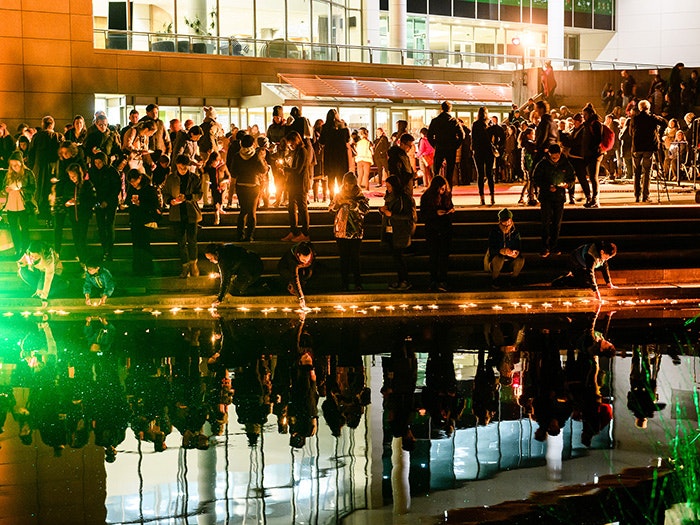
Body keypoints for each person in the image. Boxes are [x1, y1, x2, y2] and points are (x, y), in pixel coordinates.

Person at [163, 154, 203, 278]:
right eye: (181, 167)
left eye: (185, 167)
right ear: (176, 166)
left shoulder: (194, 178)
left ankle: (193, 264)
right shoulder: (171, 178)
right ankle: (184, 265)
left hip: (191, 212)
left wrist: (188, 197)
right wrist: (170, 201)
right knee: (181, 241)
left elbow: (199, 194)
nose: (183, 170)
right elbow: (165, 193)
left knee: (192, 240)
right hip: (177, 213)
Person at [329, 172, 370, 291]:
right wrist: (339, 204)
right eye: (346, 185)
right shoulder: (339, 195)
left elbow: (366, 209)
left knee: (355, 258)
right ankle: (344, 283)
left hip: (356, 231)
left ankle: (358, 283)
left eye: (351, 185)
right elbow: (331, 208)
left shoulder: (359, 195)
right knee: (344, 258)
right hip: (341, 231)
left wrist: (353, 204)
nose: (348, 187)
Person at [532, 144, 575, 257]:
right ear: (549, 154)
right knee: (545, 221)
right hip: (546, 196)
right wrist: (547, 186)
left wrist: (568, 185)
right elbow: (536, 178)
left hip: (559, 196)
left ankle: (554, 245)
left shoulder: (566, 164)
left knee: (557, 223)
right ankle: (545, 246)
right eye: (553, 156)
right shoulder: (543, 164)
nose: (555, 157)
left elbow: (572, 178)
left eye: (557, 155)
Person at [380, 175, 417, 291]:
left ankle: (404, 281)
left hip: (400, 231)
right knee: (396, 257)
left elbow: (410, 216)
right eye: (387, 186)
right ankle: (401, 280)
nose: (388, 188)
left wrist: (392, 215)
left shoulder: (404, 199)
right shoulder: (390, 197)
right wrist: (383, 211)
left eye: (390, 186)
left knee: (399, 257)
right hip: (391, 230)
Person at [54, 163, 96, 262]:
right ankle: (81, 257)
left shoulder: (86, 184)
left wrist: (80, 202)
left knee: (82, 238)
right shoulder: (69, 185)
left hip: (83, 215)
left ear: (79, 174)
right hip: (73, 216)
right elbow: (65, 198)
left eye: (73, 176)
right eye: (70, 176)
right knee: (76, 238)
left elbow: (92, 199)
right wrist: (67, 203)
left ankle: (83, 259)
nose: (72, 178)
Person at [420, 175, 454, 292]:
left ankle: (443, 281)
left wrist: (450, 210)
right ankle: (433, 280)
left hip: (445, 229)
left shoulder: (446, 195)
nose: (442, 191)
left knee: (444, 256)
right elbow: (423, 215)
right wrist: (435, 213)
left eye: (444, 189)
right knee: (433, 256)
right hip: (432, 230)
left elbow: (450, 206)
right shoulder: (426, 198)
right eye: (440, 189)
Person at [552, 241, 617, 301]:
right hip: (575, 264)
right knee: (585, 283)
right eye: (606, 258)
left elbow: (605, 267)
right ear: (602, 252)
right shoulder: (591, 255)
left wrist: (609, 283)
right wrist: (595, 291)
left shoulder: (603, 252)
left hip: (584, 266)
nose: (606, 260)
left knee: (592, 282)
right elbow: (590, 272)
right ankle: (564, 280)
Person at [629, 99, 667, 202]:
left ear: (640, 108)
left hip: (637, 147)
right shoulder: (652, 118)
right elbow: (665, 123)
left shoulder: (634, 118)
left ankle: (637, 195)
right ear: (648, 108)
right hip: (649, 148)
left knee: (636, 172)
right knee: (647, 171)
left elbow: (630, 133)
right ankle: (645, 196)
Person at [230, 134, 267, 240]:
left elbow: (233, 173)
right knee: (252, 211)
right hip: (253, 185)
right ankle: (249, 236)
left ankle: (239, 235)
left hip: (241, 185)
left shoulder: (237, 156)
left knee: (243, 211)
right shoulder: (256, 156)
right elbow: (263, 170)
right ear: (252, 144)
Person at [2, 150, 36, 258]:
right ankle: (17, 250)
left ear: (21, 163)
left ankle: (25, 249)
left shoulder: (28, 173)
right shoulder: (9, 174)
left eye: (16, 165)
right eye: (12, 165)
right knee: (13, 228)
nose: (14, 167)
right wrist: (5, 190)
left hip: (23, 203)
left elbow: (33, 188)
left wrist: (22, 190)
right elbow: (3, 187)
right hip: (11, 204)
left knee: (24, 227)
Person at [125, 169, 160, 276]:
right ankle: (137, 269)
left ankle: (148, 268)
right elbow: (127, 201)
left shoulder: (149, 190)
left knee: (144, 245)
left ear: (140, 178)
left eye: (134, 181)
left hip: (145, 220)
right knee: (136, 246)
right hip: (135, 220)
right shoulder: (131, 189)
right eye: (131, 182)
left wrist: (140, 204)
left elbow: (154, 206)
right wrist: (126, 205)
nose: (133, 184)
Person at [90, 152, 121, 260]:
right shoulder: (93, 172)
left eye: (100, 163)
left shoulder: (112, 171)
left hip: (110, 202)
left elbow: (116, 187)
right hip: (98, 201)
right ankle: (105, 249)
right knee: (101, 226)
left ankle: (109, 250)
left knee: (109, 225)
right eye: (96, 163)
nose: (98, 165)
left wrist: (107, 201)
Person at [281, 131, 311, 243]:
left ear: (296, 140)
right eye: (289, 145)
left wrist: (285, 168)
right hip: (292, 183)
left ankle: (305, 233)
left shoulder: (302, 151)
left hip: (300, 183)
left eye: (291, 144)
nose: (290, 146)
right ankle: (293, 231)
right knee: (291, 208)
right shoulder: (294, 152)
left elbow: (298, 169)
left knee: (302, 208)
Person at [486, 208, 524, 288]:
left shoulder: (515, 232)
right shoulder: (494, 232)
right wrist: (501, 251)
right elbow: (491, 249)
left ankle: (513, 279)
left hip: (510, 260)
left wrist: (515, 252)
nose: (507, 224)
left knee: (520, 259)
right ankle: (495, 280)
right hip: (496, 261)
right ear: (500, 221)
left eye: (509, 221)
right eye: (504, 221)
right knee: (499, 258)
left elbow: (519, 247)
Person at [17, 241, 63, 307]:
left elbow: (47, 278)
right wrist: (23, 264)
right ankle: (39, 290)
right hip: (39, 272)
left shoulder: (48, 258)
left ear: (42, 254)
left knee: (48, 292)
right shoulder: (28, 253)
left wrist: (44, 297)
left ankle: (62, 284)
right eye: (32, 255)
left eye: (36, 256)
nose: (33, 258)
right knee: (22, 271)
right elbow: (21, 263)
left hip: (53, 274)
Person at [427, 101, 465, 181]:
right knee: (450, 171)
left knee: (436, 170)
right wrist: (456, 145)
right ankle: (448, 189)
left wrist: (434, 144)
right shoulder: (454, 121)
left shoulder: (435, 121)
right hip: (451, 148)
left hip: (439, 146)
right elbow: (462, 135)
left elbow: (429, 135)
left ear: (441, 109)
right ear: (450, 109)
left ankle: (436, 188)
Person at [319, 109, 351, 196]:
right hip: (341, 155)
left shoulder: (325, 127)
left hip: (330, 155)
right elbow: (348, 139)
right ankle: (341, 196)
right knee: (341, 178)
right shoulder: (343, 126)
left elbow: (322, 141)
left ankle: (332, 198)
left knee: (331, 178)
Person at [278, 241, 315, 308]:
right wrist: (301, 297)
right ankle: (290, 286)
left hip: (301, 268)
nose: (306, 261)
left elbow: (311, 265)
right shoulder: (292, 260)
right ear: (298, 255)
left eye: (308, 259)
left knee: (308, 273)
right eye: (303, 260)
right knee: (293, 280)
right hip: (287, 269)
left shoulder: (311, 251)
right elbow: (294, 277)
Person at [472, 106, 496, 205]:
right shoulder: (490, 124)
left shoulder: (475, 124)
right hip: (488, 151)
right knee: (490, 174)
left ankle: (482, 198)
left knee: (480, 174)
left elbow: (473, 139)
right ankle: (492, 197)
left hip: (478, 151)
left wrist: (473, 149)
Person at [202, 150, 230, 225]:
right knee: (215, 201)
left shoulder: (223, 166)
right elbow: (203, 172)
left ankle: (220, 208)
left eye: (216, 161)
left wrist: (224, 182)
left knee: (220, 199)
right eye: (213, 162)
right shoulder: (209, 167)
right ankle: (217, 215)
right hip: (214, 186)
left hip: (222, 186)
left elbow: (228, 176)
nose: (214, 163)